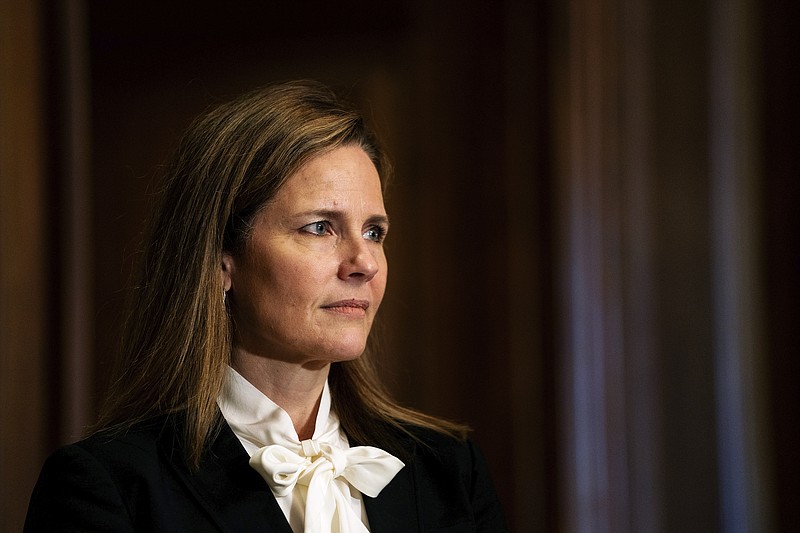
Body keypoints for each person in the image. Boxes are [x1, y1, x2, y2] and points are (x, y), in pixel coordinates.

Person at [24, 80, 508, 532]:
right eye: (320, 227)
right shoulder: (110, 487)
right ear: (220, 261)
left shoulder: (450, 470)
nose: (364, 263)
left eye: (374, 232)